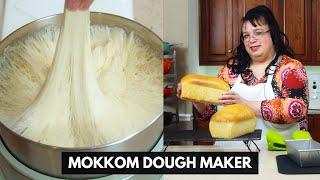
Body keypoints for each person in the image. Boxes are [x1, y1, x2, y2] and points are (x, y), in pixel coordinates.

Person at [177, 5, 309, 146]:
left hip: (275, 157)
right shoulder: (231, 70)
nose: (251, 39)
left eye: (258, 32)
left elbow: (296, 109)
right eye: (246, 35)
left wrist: (245, 104)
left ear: (273, 34)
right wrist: (195, 98)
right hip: (232, 155)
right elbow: (212, 112)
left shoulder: (290, 68)